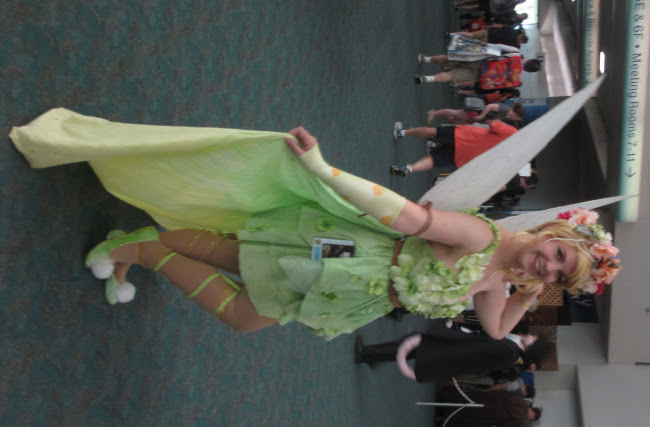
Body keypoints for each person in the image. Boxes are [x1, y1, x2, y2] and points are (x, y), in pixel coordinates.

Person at [10, 108, 620, 340]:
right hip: (347, 256)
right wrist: (324, 171)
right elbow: (406, 215)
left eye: (559, 274)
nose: (548, 266)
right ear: (554, 235)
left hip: (360, 296)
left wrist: (531, 293)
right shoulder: (484, 236)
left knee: (241, 299)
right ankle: (141, 249)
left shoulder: (501, 280)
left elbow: (495, 329)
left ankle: (144, 248)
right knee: (234, 265)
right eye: (558, 255)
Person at [354, 321, 550, 382]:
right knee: (410, 348)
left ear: (533, 348)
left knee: (409, 346)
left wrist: (452, 336)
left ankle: (367, 354)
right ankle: (372, 355)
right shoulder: (512, 353)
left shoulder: (510, 351)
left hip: (453, 350)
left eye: (534, 339)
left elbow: (478, 347)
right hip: (453, 351)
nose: (530, 336)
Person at [390, 119, 518, 177]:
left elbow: (494, 125)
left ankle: (402, 133)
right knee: (434, 159)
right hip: (466, 157)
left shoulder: (514, 133)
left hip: (466, 136)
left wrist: (497, 121)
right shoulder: (512, 159)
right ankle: (409, 169)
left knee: (433, 132)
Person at [415, 52, 541, 85]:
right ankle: (427, 79)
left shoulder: (516, 55)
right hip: (482, 76)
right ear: (529, 71)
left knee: (449, 59)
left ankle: (425, 59)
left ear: (529, 60)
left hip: (480, 60)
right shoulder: (516, 79)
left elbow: (497, 48)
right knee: (452, 76)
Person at [437, 390, 541, 427]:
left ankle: (444, 398)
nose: (530, 418)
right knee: (467, 415)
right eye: (532, 417)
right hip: (491, 415)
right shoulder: (520, 420)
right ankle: (444, 416)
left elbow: (504, 394)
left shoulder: (520, 399)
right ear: (533, 414)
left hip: (490, 400)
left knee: (466, 399)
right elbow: (506, 425)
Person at [426, 102, 524, 125]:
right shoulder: (504, 109)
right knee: (455, 114)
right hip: (475, 113)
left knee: (454, 119)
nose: (514, 119)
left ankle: (438, 115)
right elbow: (490, 106)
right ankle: (434, 114)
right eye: (516, 118)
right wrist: (482, 116)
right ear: (516, 114)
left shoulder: (505, 113)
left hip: (475, 118)